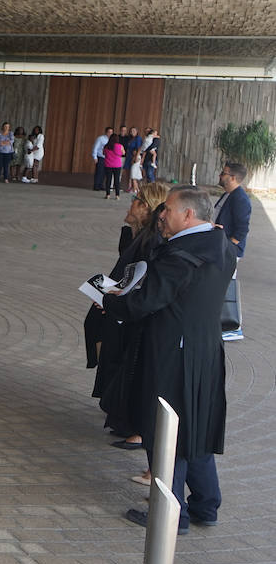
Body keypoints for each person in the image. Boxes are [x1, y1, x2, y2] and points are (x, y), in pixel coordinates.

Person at [107, 187, 235, 535]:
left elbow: (144, 302)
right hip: (205, 350)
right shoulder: (220, 245)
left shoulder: (181, 257)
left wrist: (110, 301)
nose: (162, 214)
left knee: (166, 430)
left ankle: (170, 514)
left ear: (189, 216)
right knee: (196, 425)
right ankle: (206, 505)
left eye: (169, 210)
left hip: (172, 354)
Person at [89, 182, 169, 462]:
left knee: (119, 355)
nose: (130, 203)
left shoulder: (151, 241)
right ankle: (115, 405)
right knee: (97, 331)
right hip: (120, 302)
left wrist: (113, 298)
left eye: (135, 200)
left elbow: (140, 279)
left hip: (131, 310)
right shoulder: (136, 235)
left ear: (146, 207)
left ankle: (130, 423)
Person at [215, 161, 252, 341]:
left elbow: (242, 229)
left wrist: (229, 247)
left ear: (233, 178)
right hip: (223, 248)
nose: (221, 175)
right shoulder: (228, 195)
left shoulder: (240, 198)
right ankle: (225, 323)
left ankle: (233, 326)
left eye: (224, 173)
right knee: (222, 285)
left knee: (228, 286)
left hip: (229, 251)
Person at [101, 133, 125, 199]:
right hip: (117, 165)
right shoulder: (120, 146)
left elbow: (103, 153)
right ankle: (117, 195)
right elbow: (123, 153)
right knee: (116, 180)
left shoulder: (106, 146)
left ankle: (108, 194)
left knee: (108, 179)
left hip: (108, 165)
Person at [91, 126, 113, 191]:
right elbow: (95, 148)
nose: (110, 133)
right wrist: (94, 157)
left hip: (108, 158)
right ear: (106, 132)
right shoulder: (101, 138)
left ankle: (101, 185)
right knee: (99, 172)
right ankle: (96, 186)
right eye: (109, 132)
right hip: (100, 157)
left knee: (104, 172)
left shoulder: (112, 140)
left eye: (111, 132)